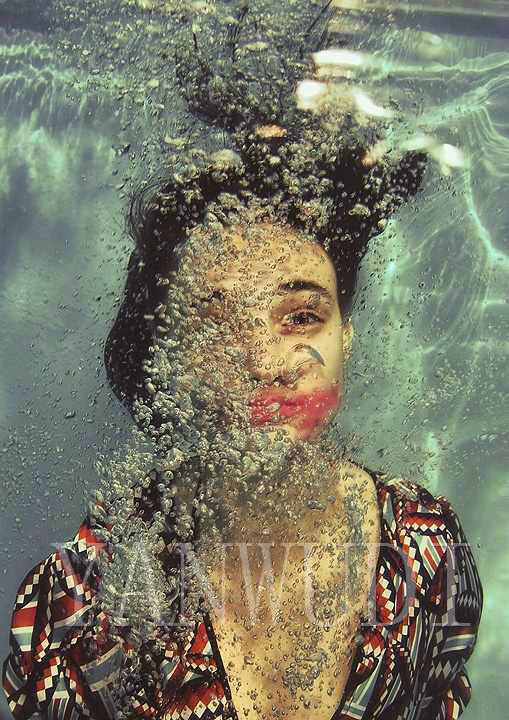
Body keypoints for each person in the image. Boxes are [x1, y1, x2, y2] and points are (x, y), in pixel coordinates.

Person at [2, 4, 483, 717]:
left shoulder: (427, 549)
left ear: (346, 336)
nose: (265, 362)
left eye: (302, 316)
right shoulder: (86, 602)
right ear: (169, 358)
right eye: (217, 324)